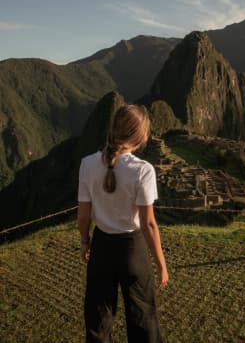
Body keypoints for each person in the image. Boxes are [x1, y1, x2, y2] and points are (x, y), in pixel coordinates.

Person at [77, 104, 168, 343]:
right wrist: (161, 263)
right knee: (142, 318)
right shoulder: (143, 171)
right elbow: (148, 224)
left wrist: (85, 242)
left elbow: (83, 215)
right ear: (140, 136)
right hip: (132, 249)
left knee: (98, 319)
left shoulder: (87, 164)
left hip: (101, 246)